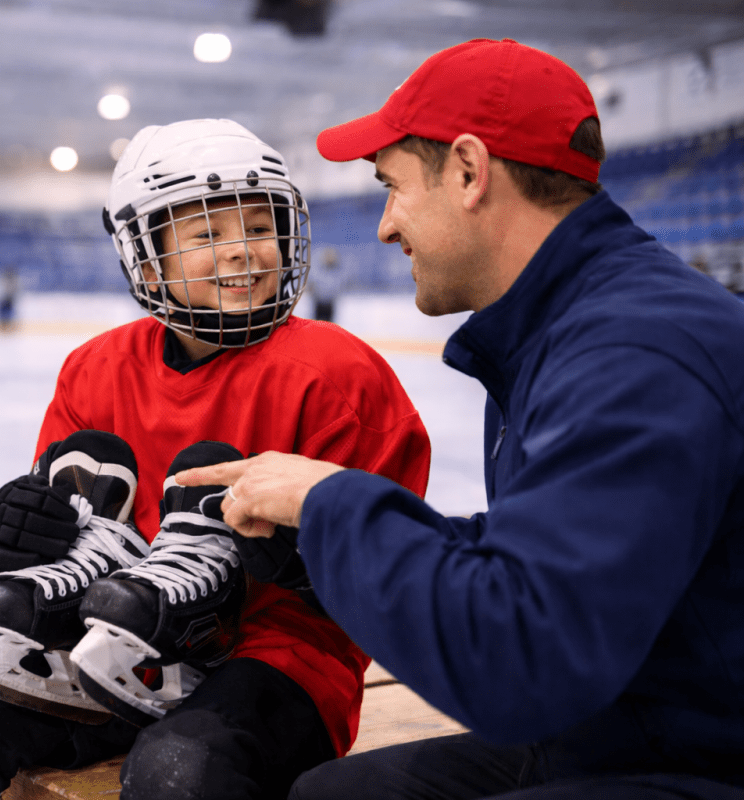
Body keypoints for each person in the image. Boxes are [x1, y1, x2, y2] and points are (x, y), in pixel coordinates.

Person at [178, 39, 744, 799]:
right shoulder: (570, 326)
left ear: (470, 172)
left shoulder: (633, 353)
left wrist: (334, 505)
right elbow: (537, 563)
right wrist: (324, 510)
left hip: (694, 757)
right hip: (630, 726)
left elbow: (517, 664)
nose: (383, 226)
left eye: (393, 187)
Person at [0, 119, 431, 800]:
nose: (241, 252)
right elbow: (73, 525)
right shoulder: (94, 370)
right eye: (207, 235)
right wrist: (30, 526)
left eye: (259, 227)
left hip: (280, 657)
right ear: (146, 259)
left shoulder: (340, 375)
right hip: (106, 645)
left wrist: (305, 560)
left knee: (183, 770)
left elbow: (393, 572)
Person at [306, 246, 344, 322]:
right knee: (317, 326)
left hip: (330, 304)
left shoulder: (337, 272)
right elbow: (311, 285)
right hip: (319, 303)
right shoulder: (318, 271)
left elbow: (339, 288)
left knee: (330, 326)